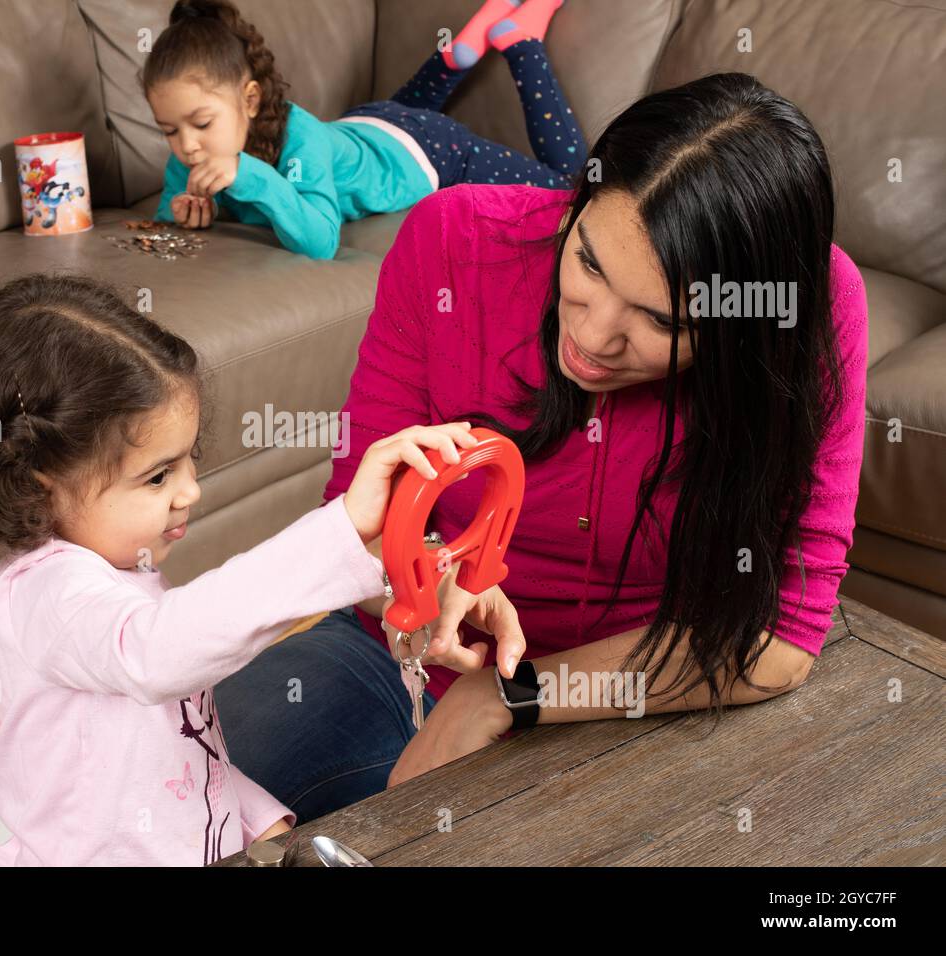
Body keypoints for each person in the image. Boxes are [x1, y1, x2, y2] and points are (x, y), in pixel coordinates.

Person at [215, 72, 868, 823]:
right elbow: (354, 520)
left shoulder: (816, 309)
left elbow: (779, 639)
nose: (589, 338)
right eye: (588, 261)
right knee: (162, 791)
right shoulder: (451, 239)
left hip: (642, 690)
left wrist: (511, 694)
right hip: (388, 658)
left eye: (660, 320)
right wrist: (416, 584)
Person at [0, 272, 480, 864]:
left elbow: (172, 751)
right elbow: (159, 654)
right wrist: (343, 529)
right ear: (39, 487)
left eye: (187, 461)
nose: (191, 491)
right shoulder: (46, 591)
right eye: (157, 476)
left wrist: (253, 820)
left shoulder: (121, 570)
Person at [143, 0, 582, 258]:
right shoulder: (190, 153)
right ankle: (457, 53)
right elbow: (166, 215)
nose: (186, 145)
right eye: (168, 130)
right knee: (404, 105)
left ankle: (522, 43)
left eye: (201, 123)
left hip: (430, 149)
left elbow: (320, 242)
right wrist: (189, 214)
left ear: (251, 99)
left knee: (578, 187)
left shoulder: (301, 138)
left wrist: (251, 175)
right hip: (370, 122)